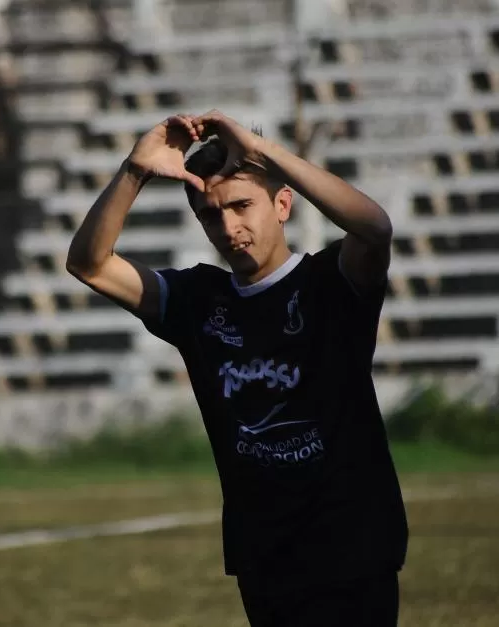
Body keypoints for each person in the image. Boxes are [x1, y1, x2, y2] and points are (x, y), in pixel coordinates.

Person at [66, 110, 408, 627]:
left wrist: (263, 152)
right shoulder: (197, 301)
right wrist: (134, 171)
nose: (228, 227)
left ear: (283, 203)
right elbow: (90, 264)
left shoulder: (330, 283)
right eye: (209, 214)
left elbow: (375, 226)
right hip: (263, 554)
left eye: (242, 205)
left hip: (352, 543)